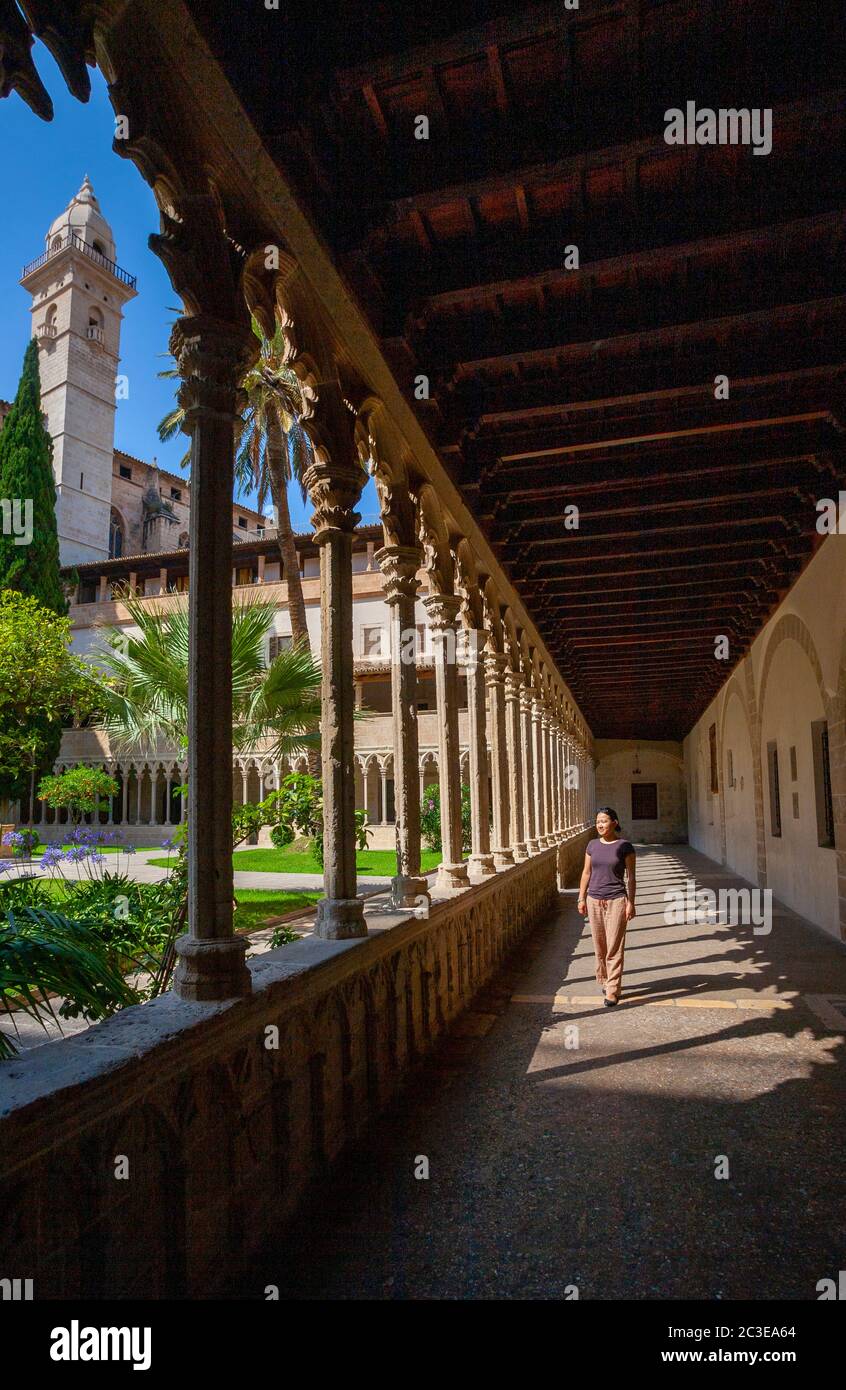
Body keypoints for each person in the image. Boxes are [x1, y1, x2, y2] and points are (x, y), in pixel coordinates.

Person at [577, 807, 636, 1008]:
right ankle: (605, 979)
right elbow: (586, 873)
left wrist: (631, 902)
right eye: (598, 821)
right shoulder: (592, 845)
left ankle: (612, 989)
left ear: (615, 823)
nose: (600, 824)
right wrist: (581, 898)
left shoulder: (625, 846)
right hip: (594, 900)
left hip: (616, 900)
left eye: (604, 820)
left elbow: (631, 877)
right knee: (599, 945)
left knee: (614, 946)